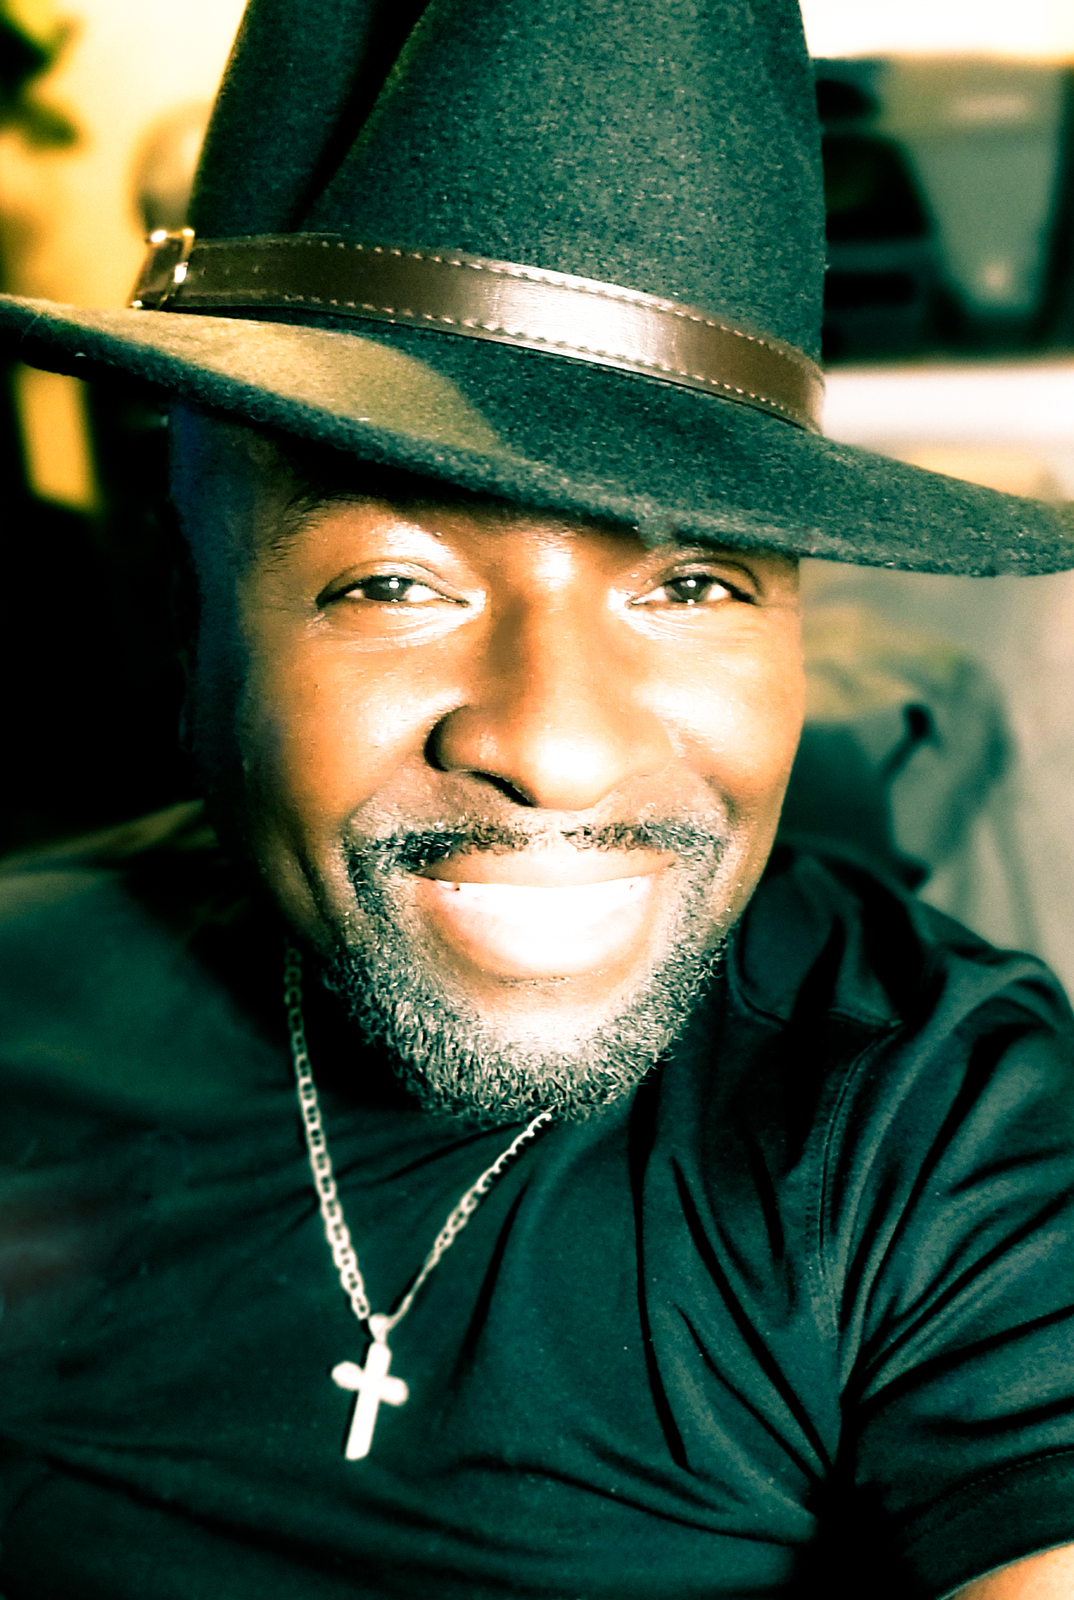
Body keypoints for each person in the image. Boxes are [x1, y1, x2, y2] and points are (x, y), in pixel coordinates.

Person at [2, 1, 1074, 1595]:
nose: (558, 749)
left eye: (692, 583)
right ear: (195, 616)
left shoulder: (935, 1124)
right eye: (392, 584)